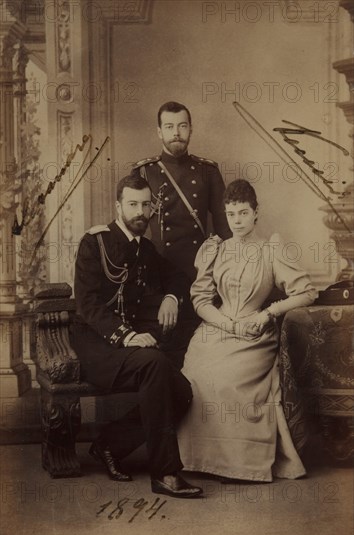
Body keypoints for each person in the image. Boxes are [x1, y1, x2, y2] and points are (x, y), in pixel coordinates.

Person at [71, 173, 202, 498]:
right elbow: (87, 304)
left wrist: (172, 297)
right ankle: (166, 473)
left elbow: (179, 276)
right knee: (154, 364)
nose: (140, 212)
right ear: (118, 206)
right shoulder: (96, 242)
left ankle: (108, 445)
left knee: (182, 392)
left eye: (146, 205)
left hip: (131, 349)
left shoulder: (146, 249)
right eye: (133, 204)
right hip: (97, 346)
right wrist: (126, 335)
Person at [177, 179, 318, 482]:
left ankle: (238, 463)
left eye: (243, 213)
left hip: (255, 332)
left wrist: (267, 314)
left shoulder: (271, 250)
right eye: (231, 214)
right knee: (196, 376)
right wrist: (226, 323)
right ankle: (196, 459)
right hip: (218, 327)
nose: (237, 221)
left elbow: (307, 292)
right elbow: (200, 299)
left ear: (256, 212)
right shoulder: (216, 249)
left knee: (230, 380)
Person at [131, 101, 231, 361]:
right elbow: (131, 232)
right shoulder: (143, 171)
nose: (176, 132)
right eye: (169, 126)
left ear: (190, 130)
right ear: (159, 132)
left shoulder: (208, 171)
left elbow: (225, 230)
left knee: (199, 351)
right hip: (157, 275)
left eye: (182, 126)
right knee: (163, 349)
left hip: (200, 273)